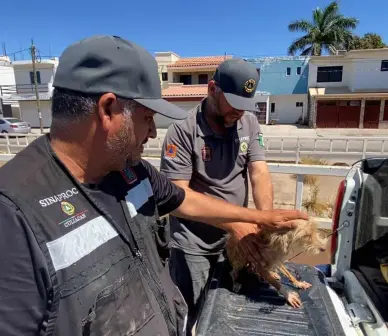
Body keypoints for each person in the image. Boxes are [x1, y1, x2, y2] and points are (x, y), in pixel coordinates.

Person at [0, 35, 307, 336]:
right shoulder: (13, 215)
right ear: (108, 110)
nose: (151, 133)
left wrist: (260, 219)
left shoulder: (133, 172)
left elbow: (185, 199)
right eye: (147, 118)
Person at [160, 58, 306, 334]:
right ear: (212, 89)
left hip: (240, 239)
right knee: (193, 318)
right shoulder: (182, 131)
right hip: (195, 246)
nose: (239, 112)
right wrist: (235, 224)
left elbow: (259, 173)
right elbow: (178, 198)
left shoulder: (249, 123)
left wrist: (263, 223)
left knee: (228, 313)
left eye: (245, 104)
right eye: (234, 103)